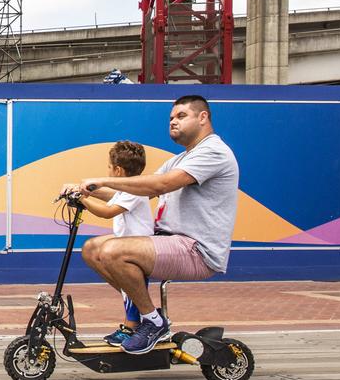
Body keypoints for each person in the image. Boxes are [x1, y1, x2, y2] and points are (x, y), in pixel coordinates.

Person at [62, 95, 239, 355]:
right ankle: (144, 319)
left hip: (197, 249)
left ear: (203, 118)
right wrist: (81, 192)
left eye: (181, 116)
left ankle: (153, 323)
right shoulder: (180, 159)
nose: (173, 122)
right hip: (170, 241)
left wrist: (102, 181)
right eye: (170, 118)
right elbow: (136, 194)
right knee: (93, 249)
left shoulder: (213, 152)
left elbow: (160, 185)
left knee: (113, 251)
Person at [59, 140, 152, 346]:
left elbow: (107, 212)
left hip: (136, 250)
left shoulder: (134, 191)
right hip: (127, 246)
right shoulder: (127, 189)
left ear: (117, 170)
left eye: (109, 167)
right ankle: (136, 322)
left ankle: (132, 326)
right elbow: (108, 195)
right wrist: (80, 189)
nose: (108, 170)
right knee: (126, 287)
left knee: (132, 289)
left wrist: (82, 199)